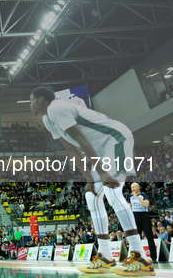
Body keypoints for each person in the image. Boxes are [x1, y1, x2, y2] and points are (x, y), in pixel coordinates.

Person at [30, 86, 155, 276]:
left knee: (113, 192)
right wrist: (88, 178)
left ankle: (141, 258)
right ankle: (105, 256)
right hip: (101, 150)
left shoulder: (56, 108)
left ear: (40, 99)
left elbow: (80, 139)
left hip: (116, 139)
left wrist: (102, 173)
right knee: (92, 197)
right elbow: (71, 149)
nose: (29, 104)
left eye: (31, 100)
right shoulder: (47, 119)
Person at [127, 183, 157, 263]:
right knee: (137, 238)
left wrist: (136, 197)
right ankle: (138, 257)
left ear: (138, 187)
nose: (132, 189)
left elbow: (146, 204)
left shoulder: (144, 195)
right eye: (131, 187)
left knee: (149, 237)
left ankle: (153, 258)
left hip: (144, 216)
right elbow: (129, 207)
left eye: (134, 187)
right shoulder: (129, 197)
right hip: (135, 216)